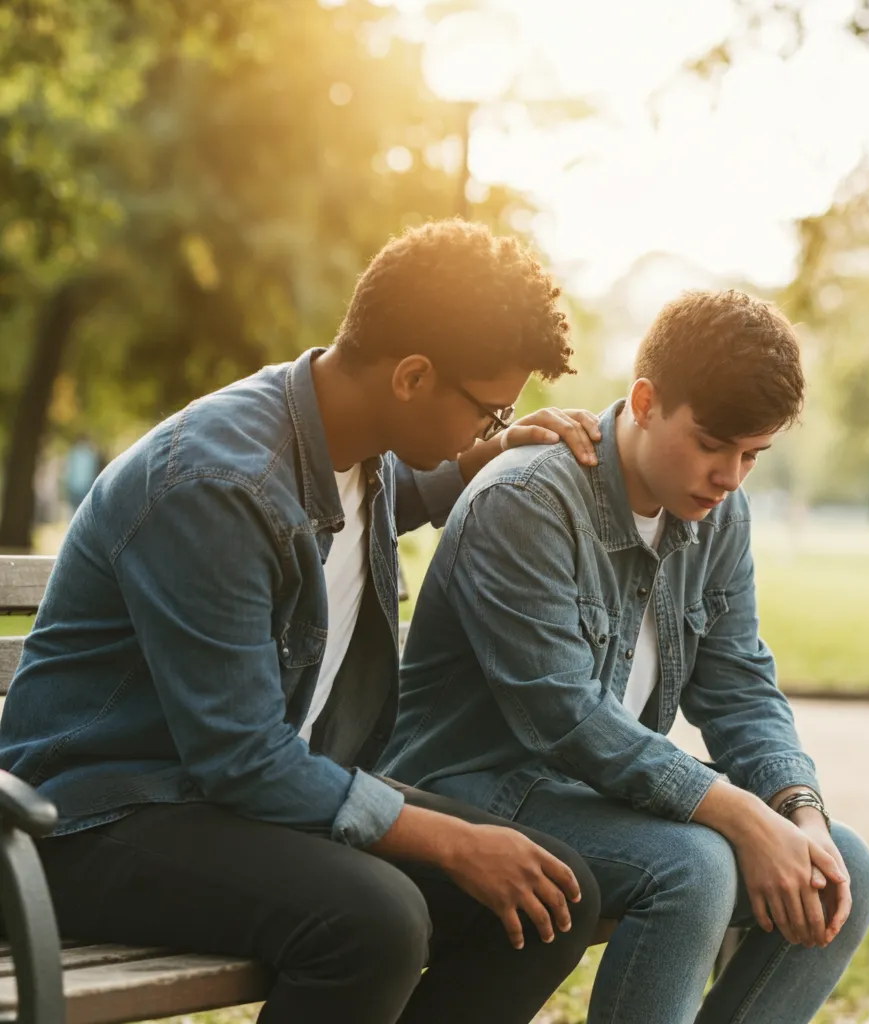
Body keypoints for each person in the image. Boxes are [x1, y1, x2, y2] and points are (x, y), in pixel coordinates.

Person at [0, 220, 606, 1024]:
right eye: (491, 414)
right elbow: (243, 759)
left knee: (553, 892)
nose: (490, 429)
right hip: (89, 822)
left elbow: (379, 502)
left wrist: (480, 459)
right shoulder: (218, 484)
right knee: (375, 923)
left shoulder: (353, 442)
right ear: (413, 377)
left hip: (214, 799)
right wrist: (452, 841)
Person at [381, 289, 869, 1024]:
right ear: (645, 401)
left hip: (589, 799)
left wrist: (797, 811)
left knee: (847, 870)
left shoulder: (719, 514)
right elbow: (566, 717)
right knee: (693, 869)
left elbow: (740, 683)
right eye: (713, 444)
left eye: (752, 454)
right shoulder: (526, 499)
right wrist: (742, 818)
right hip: (469, 789)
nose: (731, 476)